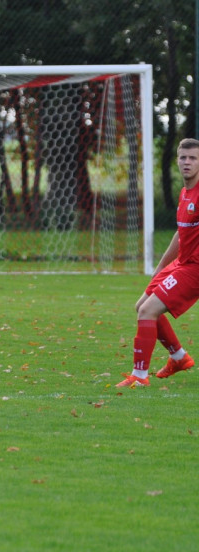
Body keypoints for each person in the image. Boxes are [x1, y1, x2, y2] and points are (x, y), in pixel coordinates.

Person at [116, 137, 199, 388]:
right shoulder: (185, 193)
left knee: (146, 311)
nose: (187, 162)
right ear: (176, 160)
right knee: (141, 305)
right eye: (183, 157)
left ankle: (140, 377)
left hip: (194, 268)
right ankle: (178, 357)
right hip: (181, 263)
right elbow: (180, 233)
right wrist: (162, 265)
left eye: (193, 158)